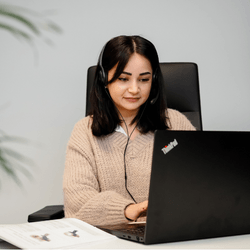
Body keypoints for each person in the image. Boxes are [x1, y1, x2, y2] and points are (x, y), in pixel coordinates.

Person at [63, 35, 195, 226]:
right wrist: (128, 210)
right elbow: (78, 203)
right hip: (107, 239)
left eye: (144, 79)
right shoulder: (84, 131)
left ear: (154, 82)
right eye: (124, 78)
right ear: (104, 80)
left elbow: (201, 182)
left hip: (172, 232)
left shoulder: (175, 123)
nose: (134, 89)